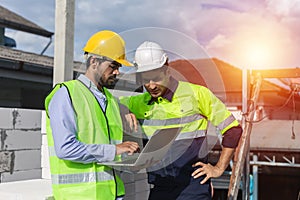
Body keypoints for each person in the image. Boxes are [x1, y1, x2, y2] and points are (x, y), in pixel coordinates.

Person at [119, 41, 242, 199]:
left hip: (192, 186)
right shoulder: (139, 102)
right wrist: (125, 110)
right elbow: (110, 104)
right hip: (160, 187)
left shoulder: (197, 94)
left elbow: (233, 130)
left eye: (155, 78)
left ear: (167, 69)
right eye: (145, 79)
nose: (151, 85)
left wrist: (218, 168)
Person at [44, 30, 140, 200]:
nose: (117, 72)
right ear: (94, 62)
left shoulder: (110, 99)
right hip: (79, 196)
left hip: (112, 194)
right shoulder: (66, 93)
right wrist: (115, 150)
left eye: (119, 67)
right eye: (113, 66)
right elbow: (65, 149)